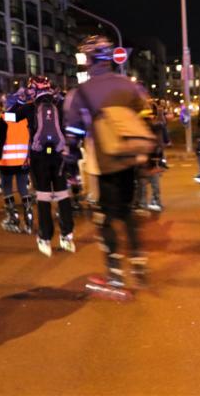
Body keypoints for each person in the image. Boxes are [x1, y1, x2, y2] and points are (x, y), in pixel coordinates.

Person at [65, 35, 150, 291]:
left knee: (104, 216)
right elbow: (141, 111)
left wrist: (70, 159)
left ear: (90, 60)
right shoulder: (127, 84)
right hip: (131, 157)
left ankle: (114, 273)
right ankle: (138, 265)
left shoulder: (81, 91)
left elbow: (73, 131)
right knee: (127, 212)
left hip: (102, 161)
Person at [13, 76, 75, 257]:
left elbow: (9, 117)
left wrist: (18, 99)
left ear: (33, 89)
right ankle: (67, 235)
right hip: (58, 154)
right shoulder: (60, 105)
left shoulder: (30, 107)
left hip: (39, 156)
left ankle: (45, 238)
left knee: (44, 196)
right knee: (63, 194)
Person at [0, 91, 33, 233]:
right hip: (23, 160)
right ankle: (29, 216)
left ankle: (13, 217)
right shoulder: (26, 118)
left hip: (7, 161)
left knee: (7, 187)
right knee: (23, 188)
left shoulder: (3, 118)